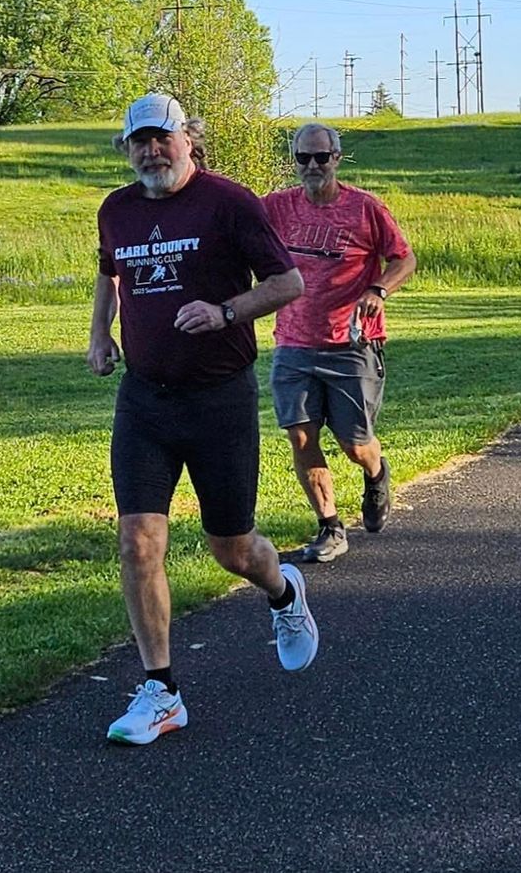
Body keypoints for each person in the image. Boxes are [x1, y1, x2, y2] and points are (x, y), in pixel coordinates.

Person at [89, 93, 317, 746]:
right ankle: (162, 691)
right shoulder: (117, 210)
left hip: (219, 397)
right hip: (145, 398)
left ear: (189, 139)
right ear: (126, 148)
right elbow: (110, 273)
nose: (151, 151)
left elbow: (287, 284)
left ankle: (282, 592)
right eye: (139, 142)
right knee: (137, 541)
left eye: (163, 138)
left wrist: (223, 312)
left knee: (233, 548)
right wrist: (100, 334)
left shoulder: (228, 202)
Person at [262, 122, 416, 563]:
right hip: (293, 342)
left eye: (321, 157)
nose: (312, 166)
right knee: (299, 435)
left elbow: (405, 258)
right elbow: (232, 216)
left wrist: (378, 289)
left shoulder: (365, 208)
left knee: (354, 443)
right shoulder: (277, 207)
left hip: (352, 343)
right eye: (303, 158)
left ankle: (375, 471)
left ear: (337, 158)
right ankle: (330, 526)